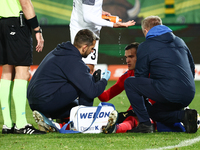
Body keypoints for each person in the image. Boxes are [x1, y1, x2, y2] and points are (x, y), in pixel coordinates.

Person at [27, 29, 111, 132]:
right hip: (45, 102)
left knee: (75, 105)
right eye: (92, 48)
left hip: (35, 102)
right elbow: (91, 91)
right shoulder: (74, 61)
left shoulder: (60, 52)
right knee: (87, 84)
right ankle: (85, 123)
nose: (92, 51)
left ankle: (54, 123)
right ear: (84, 48)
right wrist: (103, 81)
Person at [124, 15, 197, 133]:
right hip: (189, 93)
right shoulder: (180, 41)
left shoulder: (146, 45)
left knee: (130, 83)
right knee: (154, 112)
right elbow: (191, 68)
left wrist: (143, 104)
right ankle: (184, 115)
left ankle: (145, 125)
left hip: (168, 91)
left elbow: (140, 77)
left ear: (146, 31)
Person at [0, 0, 45, 134]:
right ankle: (21, 124)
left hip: (2, 23)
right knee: (22, 72)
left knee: (6, 73)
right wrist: (37, 29)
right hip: (17, 24)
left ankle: (7, 124)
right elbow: (25, 3)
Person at [70, 0, 136, 74]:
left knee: (88, 68)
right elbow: (87, 17)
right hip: (83, 32)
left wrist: (100, 11)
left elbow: (88, 6)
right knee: (86, 68)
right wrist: (112, 24)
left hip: (90, 30)